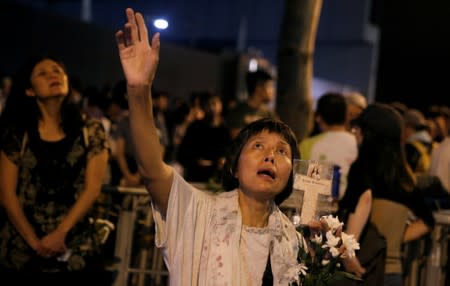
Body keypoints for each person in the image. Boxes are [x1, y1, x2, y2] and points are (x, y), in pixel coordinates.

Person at [115, 8, 304, 285]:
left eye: (282, 151)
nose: (270, 156)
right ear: (234, 167)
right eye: (258, 146)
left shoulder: (293, 240)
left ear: (291, 173)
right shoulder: (196, 211)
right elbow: (152, 169)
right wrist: (139, 90)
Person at [0, 55, 111, 284]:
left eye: (58, 70)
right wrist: (34, 241)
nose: (53, 75)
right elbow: (6, 193)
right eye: (42, 73)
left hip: (74, 248)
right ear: (30, 90)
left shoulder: (91, 130)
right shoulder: (17, 133)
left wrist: (60, 233)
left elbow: (93, 188)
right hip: (21, 250)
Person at [337, 103, 435, 286]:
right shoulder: (405, 178)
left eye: (360, 128)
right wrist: (394, 239)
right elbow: (427, 221)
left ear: (371, 134)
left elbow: (364, 199)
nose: (355, 133)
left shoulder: (362, 168)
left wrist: (348, 251)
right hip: (392, 274)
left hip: (364, 269)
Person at [225, 68, 277, 139]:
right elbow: (239, 141)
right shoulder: (238, 112)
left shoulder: (269, 114)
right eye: (270, 86)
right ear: (258, 87)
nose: (273, 91)